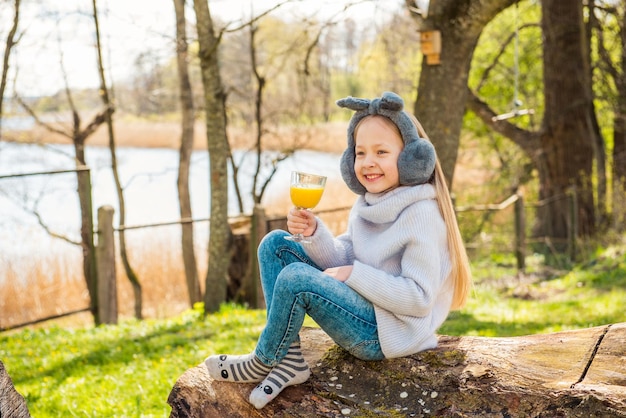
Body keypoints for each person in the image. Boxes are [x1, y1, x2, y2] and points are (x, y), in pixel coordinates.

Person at [203, 91, 472, 409]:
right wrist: (315, 233)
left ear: (411, 158)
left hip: (388, 332)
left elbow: (418, 299)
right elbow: (346, 257)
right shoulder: (370, 202)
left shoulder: (422, 215)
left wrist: (354, 274)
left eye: (381, 152)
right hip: (365, 310)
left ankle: (262, 360)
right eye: (360, 153)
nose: (368, 162)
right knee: (275, 245)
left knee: (296, 278)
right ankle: (289, 361)